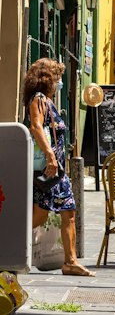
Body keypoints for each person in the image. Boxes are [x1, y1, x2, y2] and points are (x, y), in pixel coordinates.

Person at [22, 58, 94, 277]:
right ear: (47, 79)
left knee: (69, 211)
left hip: (57, 172)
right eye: (57, 77)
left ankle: (70, 261)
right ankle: (9, 245)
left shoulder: (48, 101)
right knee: (40, 216)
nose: (59, 82)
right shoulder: (39, 99)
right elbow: (36, 127)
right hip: (49, 170)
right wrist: (51, 156)